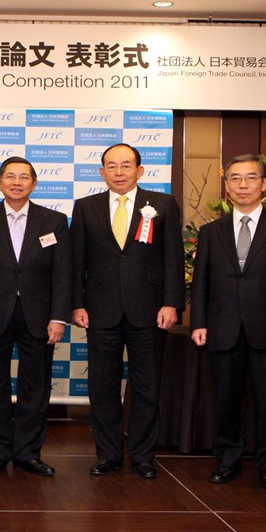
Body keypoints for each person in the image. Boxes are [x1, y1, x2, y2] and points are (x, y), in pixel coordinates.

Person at [70, 143, 185, 479]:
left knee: (147, 386)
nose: (118, 173)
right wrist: (77, 303)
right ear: (101, 171)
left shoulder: (162, 204)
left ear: (140, 170)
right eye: (111, 166)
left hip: (149, 311)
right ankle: (107, 454)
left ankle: (142, 455)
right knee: (101, 387)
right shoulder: (86, 207)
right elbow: (77, 260)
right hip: (99, 311)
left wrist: (171, 302)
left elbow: (173, 258)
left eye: (125, 166)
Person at [190, 154, 266, 491]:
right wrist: (198, 322)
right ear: (227, 187)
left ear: (264, 184)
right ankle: (227, 461)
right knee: (225, 399)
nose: (243, 185)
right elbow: (200, 283)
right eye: (236, 179)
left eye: (250, 178)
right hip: (222, 327)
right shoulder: (211, 231)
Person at [0, 157, 71, 477]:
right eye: (9, 177)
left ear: (34, 183)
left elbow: (63, 273)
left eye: (23, 177)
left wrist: (58, 317)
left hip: (39, 316)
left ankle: (28, 452)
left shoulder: (53, 220)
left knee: (36, 386)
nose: (16, 182)